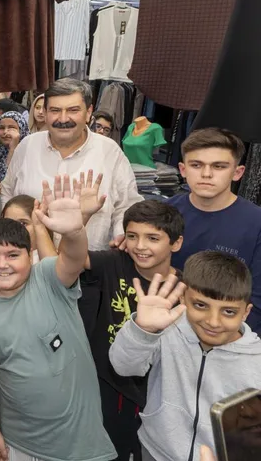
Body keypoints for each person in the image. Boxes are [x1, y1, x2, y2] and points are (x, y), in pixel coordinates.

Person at [0, 177, 116, 461]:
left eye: (13, 255)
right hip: (15, 441)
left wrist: (74, 231)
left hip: (76, 443)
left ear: (30, 254)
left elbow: (73, 259)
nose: (2, 265)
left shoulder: (48, 278)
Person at [109, 252, 261, 461]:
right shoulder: (168, 331)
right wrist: (144, 330)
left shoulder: (256, 360)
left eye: (228, 312)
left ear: (245, 312)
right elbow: (123, 366)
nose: (213, 322)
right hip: (155, 452)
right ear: (182, 298)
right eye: (201, 305)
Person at [79, 200, 184, 461]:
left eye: (152, 238)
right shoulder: (115, 261)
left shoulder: (184, 290)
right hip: (105, 385)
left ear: (176, 243)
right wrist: (78, 222)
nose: (140, 246)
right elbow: (70, 259)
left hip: (153, 395)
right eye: (133, 236)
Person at [0, 78, 143, 250]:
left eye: (73, 110)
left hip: (89, 261)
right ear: (44, 112)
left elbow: (127, 205)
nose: (63, 119)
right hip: (29, 260)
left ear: (88, 112)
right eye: (55, 110)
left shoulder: (109, 152)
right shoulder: (28, 146)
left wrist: (124, 236)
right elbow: (7, 192)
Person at [168, 128, 261, 333]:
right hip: (166, 327)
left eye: (219, 166)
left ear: (237, 172)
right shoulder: (165, 213)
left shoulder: (256, 223)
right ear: (183, 169)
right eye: (196, 165)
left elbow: (257, 299)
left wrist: (232, 340)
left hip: (228, 336)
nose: (206, 174)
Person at [0, 111, 30, 182]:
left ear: (22, 130)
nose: (5, 131)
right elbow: (2, 181)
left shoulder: (30, 151)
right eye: (1, 128)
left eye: (12, 127)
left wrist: (13, 148)